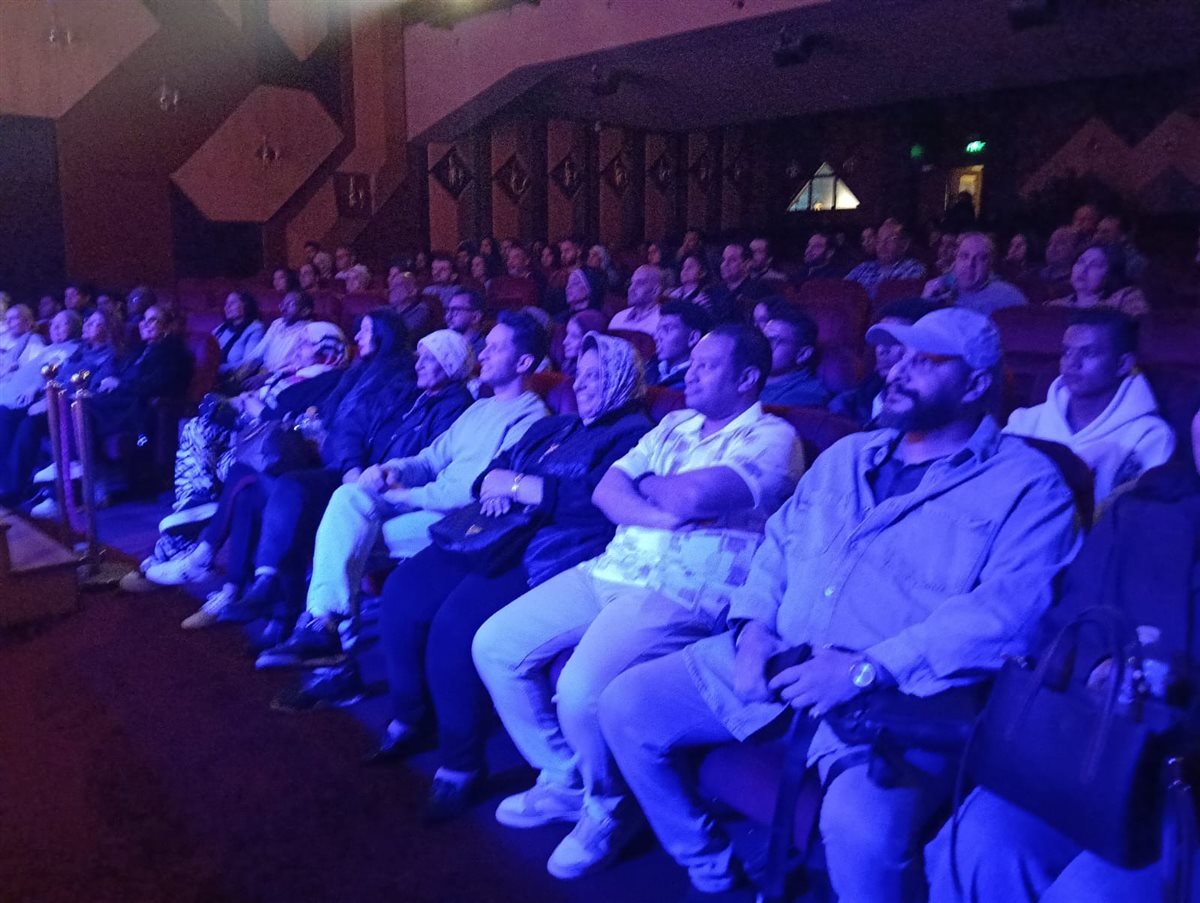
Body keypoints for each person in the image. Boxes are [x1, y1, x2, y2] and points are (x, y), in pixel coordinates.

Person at [598, 307, 1082, 899]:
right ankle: (705, 856)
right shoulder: (848, 456)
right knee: (623, 704)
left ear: (976, 383)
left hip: (896, 694)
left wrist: (865, 669)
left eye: (925, 361)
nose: (897, 371)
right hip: (778, 654)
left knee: (861, 832)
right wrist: (753, 630)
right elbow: (777, 548)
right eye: (898, 357)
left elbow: (1007, 617)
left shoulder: (1029, 485)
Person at [473, 323, 803, 882]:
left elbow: (695, 493)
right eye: (693, 361)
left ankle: (607, 811)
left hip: (684, 589)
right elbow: (607, 490)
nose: (691, 372)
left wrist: (648, 485)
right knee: (495, 645)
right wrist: (662, 513)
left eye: (708, 365)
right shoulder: (674, 423)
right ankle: (565, 779)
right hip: (614, 566)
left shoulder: (774, 437)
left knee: (579, 688)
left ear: (748, 378)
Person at [361, 333, 653, 822]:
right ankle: (411, 717)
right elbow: (492, 471)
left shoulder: (634, 436)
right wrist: (497, 485)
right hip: (490, 531)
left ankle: (461, 764)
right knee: (402, 593)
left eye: (598, 376)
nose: (583, 384)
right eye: (580, 375)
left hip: (549, 551)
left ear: (623, 380)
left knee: (455, 625)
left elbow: (597, 502)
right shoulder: (555, 425)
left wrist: (520, 486)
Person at [925, 406, 1200, 903]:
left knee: (1090, 892)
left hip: (1186, 795)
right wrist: (1097, 670)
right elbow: (1068, 625)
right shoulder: (1143, 512)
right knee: (976, 843)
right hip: (1099, 751)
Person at [254, 311, 550, 669]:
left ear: (524, 362)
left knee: (344, 536)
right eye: (485, 346)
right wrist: (390, 469)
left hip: (460, 520)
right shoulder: (482, 408)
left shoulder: (531, 418)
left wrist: (407, 495)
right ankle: (327, 626)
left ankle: (331, 635)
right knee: (347, 498)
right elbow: (430, 458)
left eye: (496, 349)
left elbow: (476, 490)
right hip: (426, 503)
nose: (483, 354)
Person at [173, 327, 473, 632]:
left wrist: (380, 473)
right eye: (418, 357)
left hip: (383, 487)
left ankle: (272, 604)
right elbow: (353, 427)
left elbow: (426, 463)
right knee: (265, 488)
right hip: (354, 471)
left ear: (449, 365)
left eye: (429, 359)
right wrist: (352, 465)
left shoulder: (454, 408)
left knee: (286, 489)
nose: (418, 364)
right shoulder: (407, 392)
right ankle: (255, 590)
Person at [1005, 309, 1174, 506]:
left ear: (1122, 364)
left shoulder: (1150, 436)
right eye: (1066, 352)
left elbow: (1139, 515)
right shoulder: (1025, 421)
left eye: (1088, 353)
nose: (1071, 363)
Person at [830, 298, 941, 426]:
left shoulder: (933, 417)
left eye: (895, 340)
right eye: (880, 340)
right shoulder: (847, 403)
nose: (881, 350)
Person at [922, 232, 1027, 315]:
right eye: (964, 256)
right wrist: (925, 302)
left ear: (990, 265)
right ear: (955, 260)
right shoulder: (940, 288)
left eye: (980, 258)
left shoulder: (1007, 296)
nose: (970, 264)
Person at [231, 290, 315, 389]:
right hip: (261, 375)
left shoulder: (310, 331)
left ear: (305, 311)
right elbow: (258, 352)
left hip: (284, 382)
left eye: (290, 304)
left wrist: (268, 377)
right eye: (283, 304)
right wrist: (237, 376)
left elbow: (301, 367)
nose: (283, 308)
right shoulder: (278, 323)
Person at [758, 302, 831, 407]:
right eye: (761, 339)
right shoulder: (750, 378)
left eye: (771, 341)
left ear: (803, 354)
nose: (761, 346)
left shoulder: (807, 395)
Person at [1047, 244, 1150, 317]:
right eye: (1081, 262)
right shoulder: (1056, 306)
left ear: (1110, 273)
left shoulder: (1128, 298)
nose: (1083, 269)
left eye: (1094, 265)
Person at [845, 221, 928, 297]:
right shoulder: (864, 267)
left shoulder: (913, 268)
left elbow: (899, 299)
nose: (882, 245)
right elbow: (842, 288)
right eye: (879, 240)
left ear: (904, 244)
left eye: (889, 240)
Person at [647, 300, 711, 390]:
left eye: (667, 329)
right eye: (658, 330)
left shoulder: (697, 382)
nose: (657, 337)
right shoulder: (648, 367)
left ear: (693, 338)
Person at [707, 243, 768, 323]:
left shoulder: (760, 290)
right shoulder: (712, 291)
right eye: (723, 259)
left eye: (732, 260)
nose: (725, 264)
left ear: (746, 264)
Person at [213, 292, 266, 376]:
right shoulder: (221, 328)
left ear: (246, 305)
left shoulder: (256, 328)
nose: (227, 307)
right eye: (226, 304)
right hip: (212, 374)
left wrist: (216, 368)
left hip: (232, 377)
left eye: (232, 303)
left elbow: (248, 363)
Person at [608, 265, 663, 336]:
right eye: (631, 283)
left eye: (639, 283)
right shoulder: (618, 318)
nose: (631, 288)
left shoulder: (663, 324)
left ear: (655, 291)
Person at [561, 310, 609, 378]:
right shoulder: (567, 366)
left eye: (574, 336)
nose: (565, 342)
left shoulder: (600, 374)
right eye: (567, 334)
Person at [0, 305, 46, 374]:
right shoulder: (3, 338)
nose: (8, 322)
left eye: (13, 318)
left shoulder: (34, 341)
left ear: (27, 322)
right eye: (6, 319)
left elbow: (34, 369)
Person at [442, 288, 486, 360]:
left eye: (456, 311)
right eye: (447, 310)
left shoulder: (482, 351)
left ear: (475, 317)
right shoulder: (443, 342)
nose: (448, 316)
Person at [386, 271, 432, 338]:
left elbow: (403, 331)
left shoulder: (421, 310)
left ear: (412, 291)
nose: (391, 289)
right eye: (391, 285)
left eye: (397, 286)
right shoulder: (388, 310)